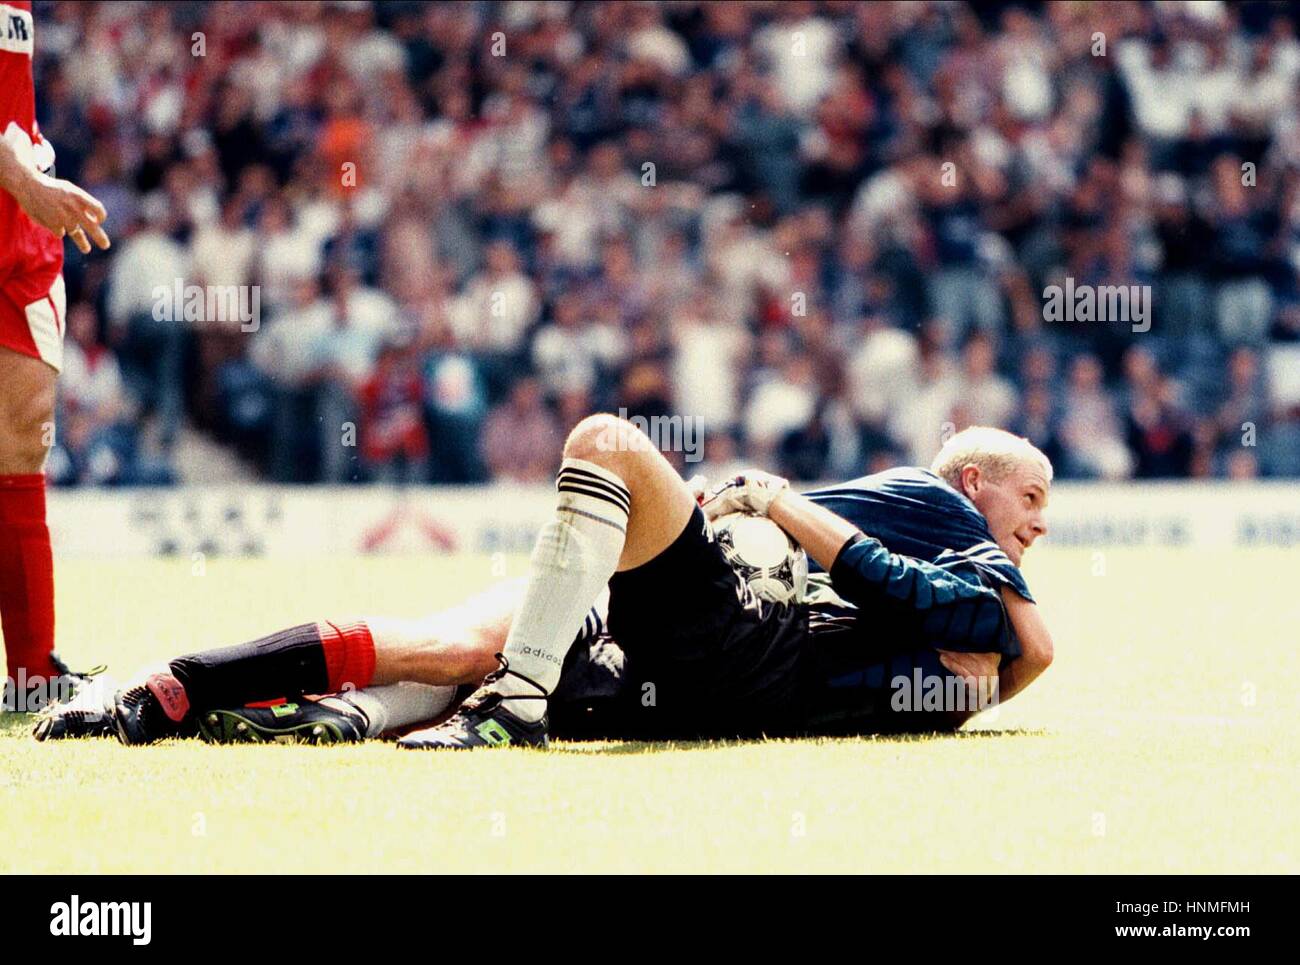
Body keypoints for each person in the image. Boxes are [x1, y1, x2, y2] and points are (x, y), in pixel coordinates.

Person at [36, 424, 1053, 746]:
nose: (1040, 520)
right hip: (690, 656)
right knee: (447, 649)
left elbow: (1017, 636)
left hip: (725, 640)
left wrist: (771, 500)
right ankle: (180, 689)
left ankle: (502, 709)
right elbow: (988, 632)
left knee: (604, 442)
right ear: (971, 479)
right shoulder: (935, 500)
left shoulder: (945, 548)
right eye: (1031, 493)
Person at [0, 0, 110, 712]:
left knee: (23, 437)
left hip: (23, 220)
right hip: (23, 190)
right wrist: (23, 180)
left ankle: (32, 675)